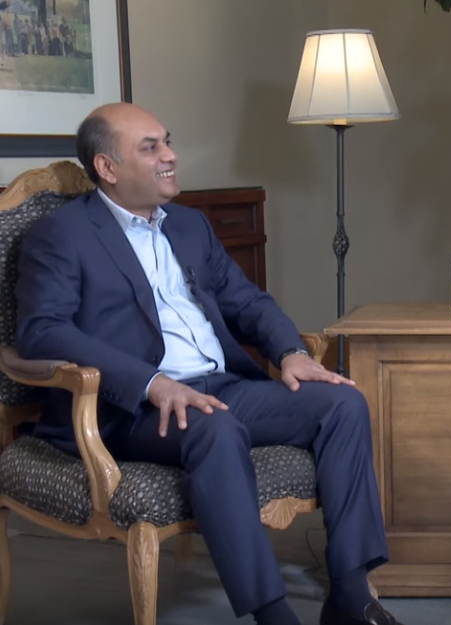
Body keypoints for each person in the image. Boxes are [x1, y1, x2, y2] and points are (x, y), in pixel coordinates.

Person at [15, 103, 405, 625]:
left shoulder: (189, 225)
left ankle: (350, 596)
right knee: (215, 429)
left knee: (343, 403)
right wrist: (151, 383)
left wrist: (290, 352)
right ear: (107, 167)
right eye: (151, 148)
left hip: (221, 385)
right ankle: (272, 613)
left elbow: (247, 301)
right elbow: (43, 331)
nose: (170, 156)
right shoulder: (62, 234)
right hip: (130, 408)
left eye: (167, 142)